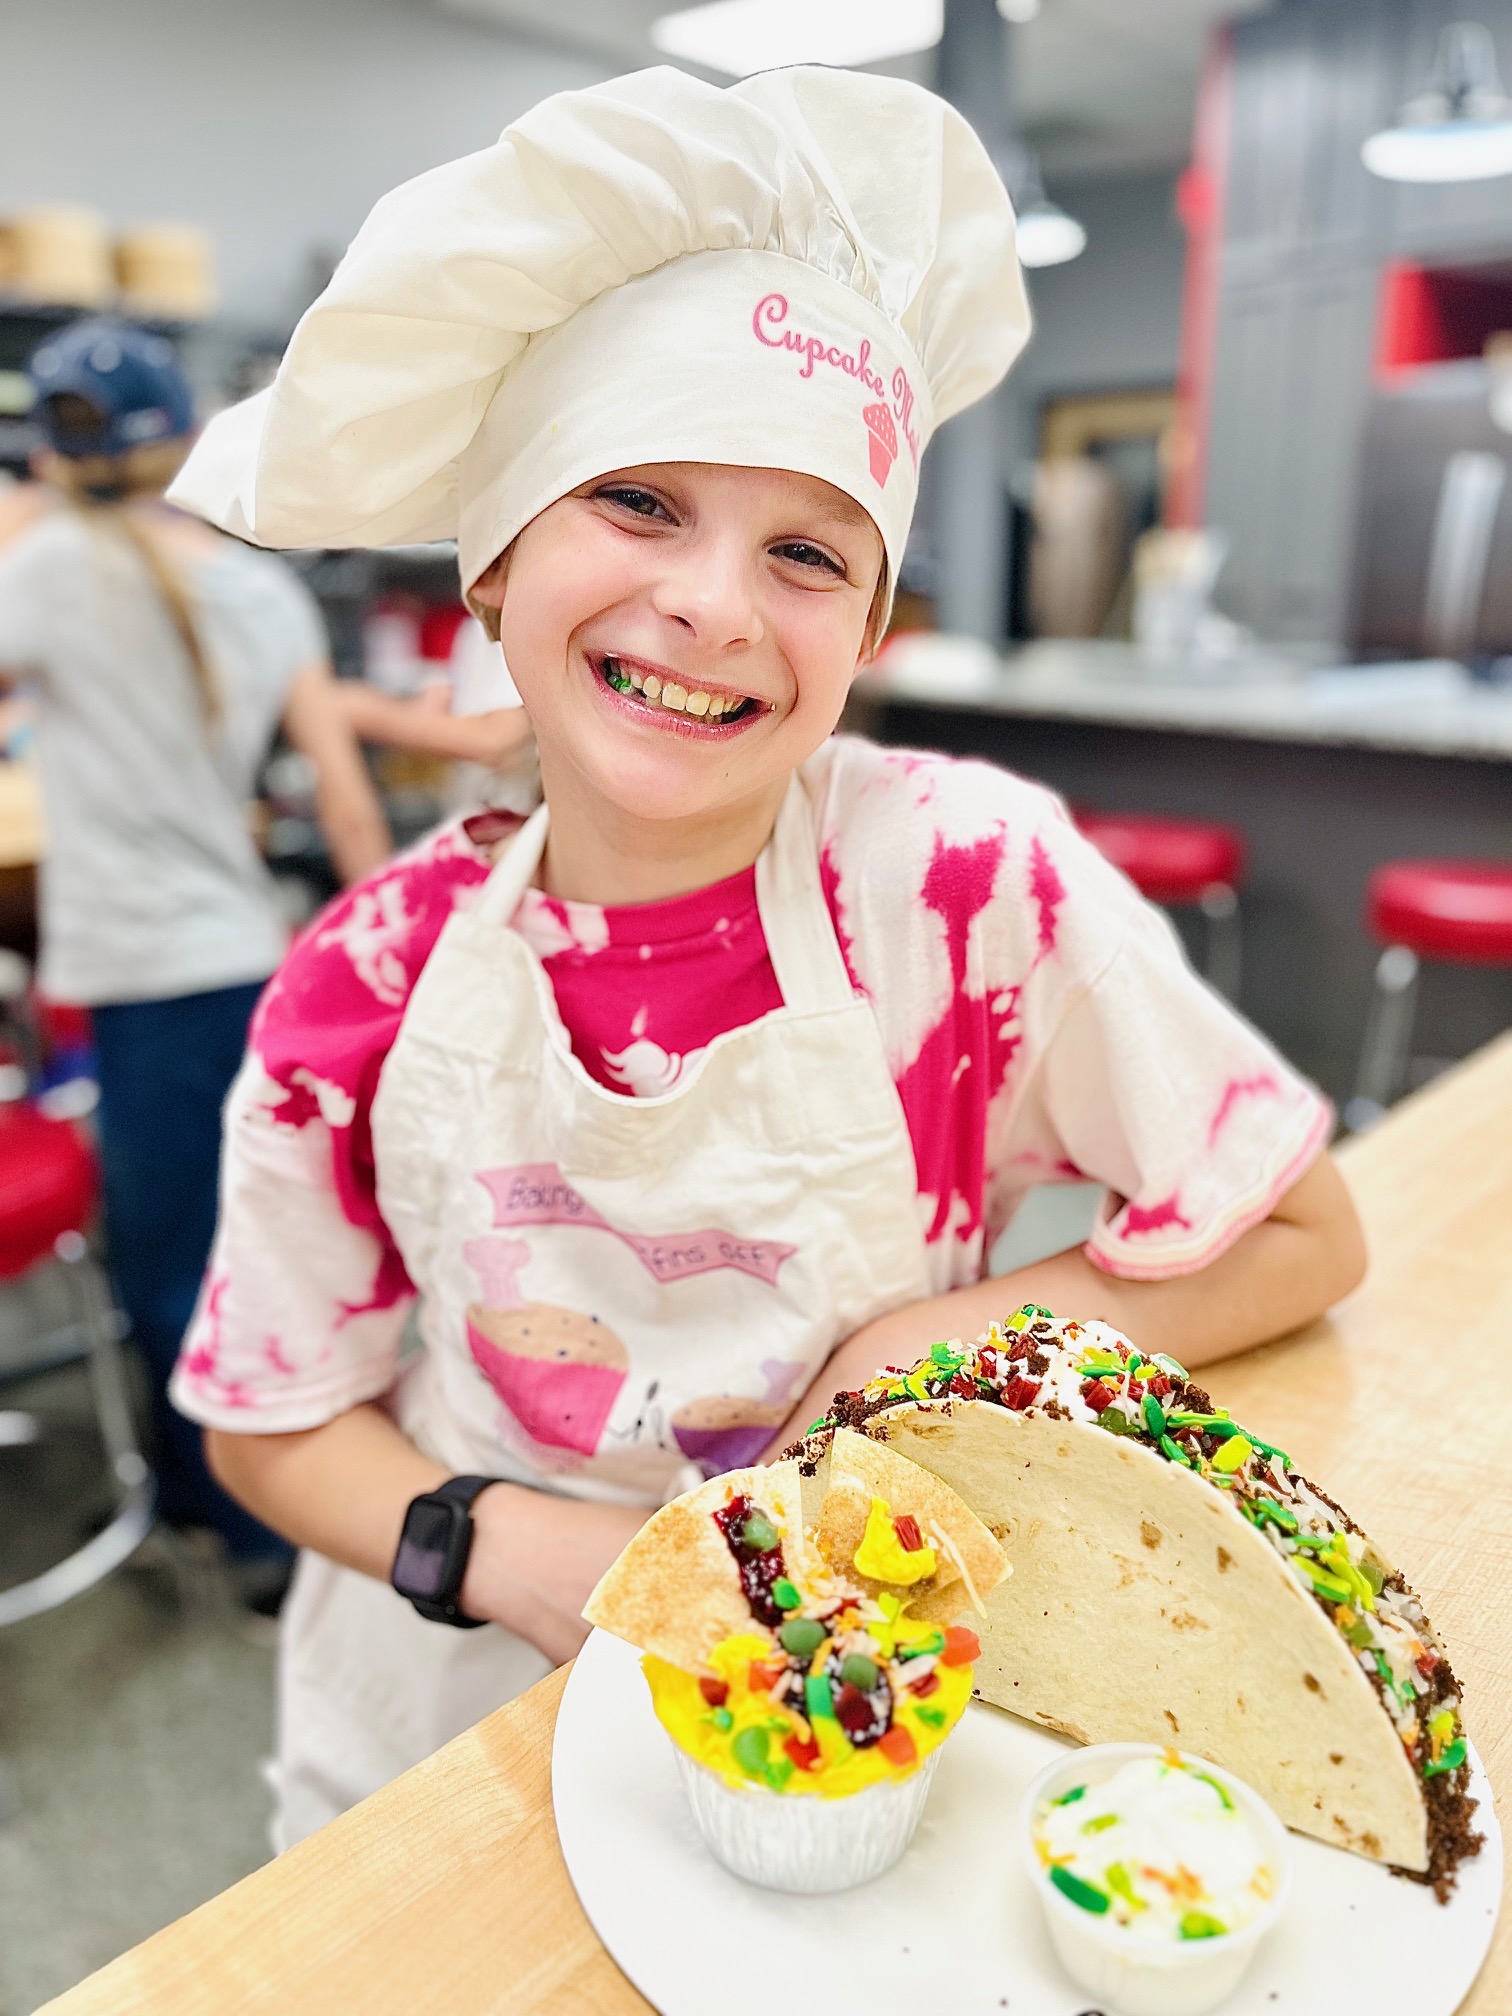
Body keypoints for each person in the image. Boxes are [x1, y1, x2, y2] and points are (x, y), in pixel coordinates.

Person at [165, 66, 1365, 1843]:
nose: (714, 603)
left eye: (805, 551)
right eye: (637, 502)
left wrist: (932, 1344)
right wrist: (533, 1553)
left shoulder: (958, 889)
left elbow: (1296, 1232)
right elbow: (270, 1422)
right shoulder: (374, 969)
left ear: (870, 628)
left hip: (858, 1674)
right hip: (455, 1693)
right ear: (494, 560)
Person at [0, 319, 393, 1587]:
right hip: (246, 960)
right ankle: (265, 1500)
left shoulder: (51, 569)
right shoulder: (262, 587)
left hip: (144, 980)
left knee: (174, 1266)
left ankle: (243, 1527)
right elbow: (340, 803)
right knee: (265, 1242)